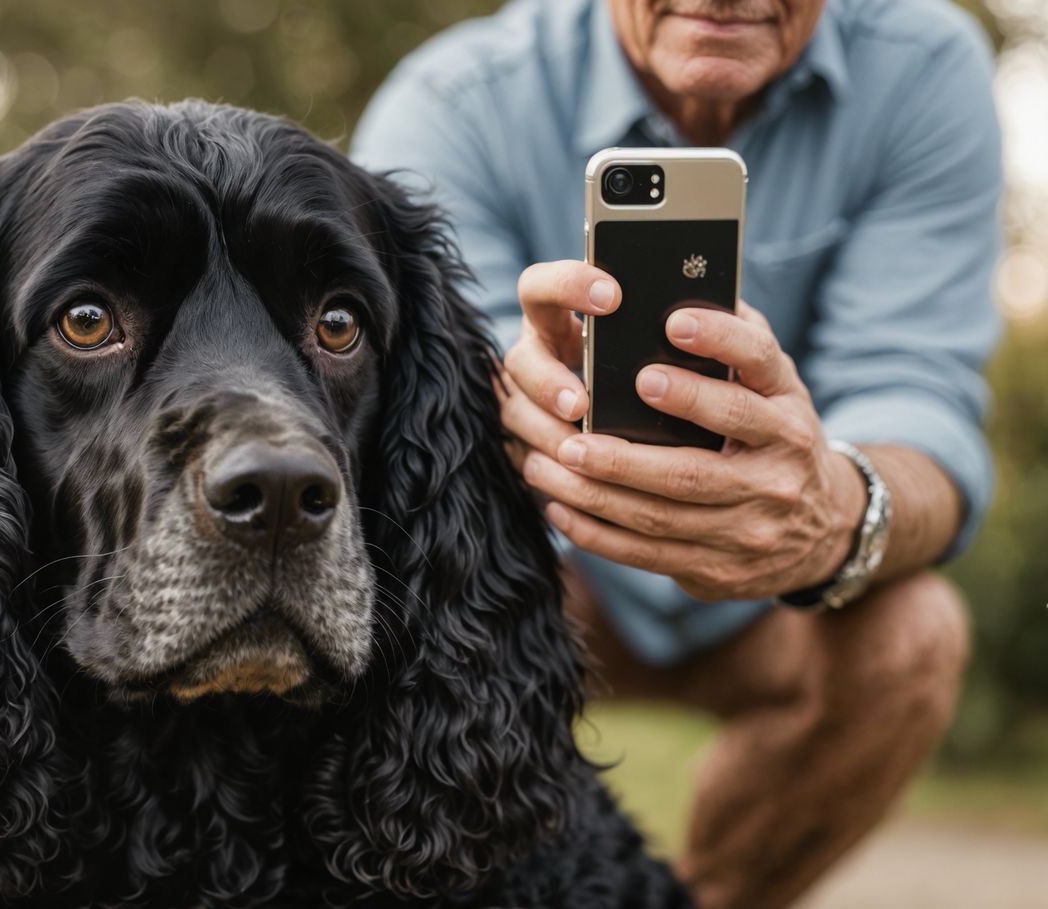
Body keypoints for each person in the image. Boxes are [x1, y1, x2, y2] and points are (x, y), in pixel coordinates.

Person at [352, 1, 1001, 907]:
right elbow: (405, 417)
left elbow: (919, 395)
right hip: (543, 566)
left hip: (774, 598)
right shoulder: (454, 102)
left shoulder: (922, 70)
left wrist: (836, 511)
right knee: (396, 596)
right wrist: (502, 394)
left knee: (913, 633)